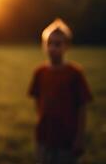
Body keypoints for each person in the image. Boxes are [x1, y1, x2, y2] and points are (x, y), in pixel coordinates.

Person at [28, 18, 93, 164]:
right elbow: (38, 102)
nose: (52, 48)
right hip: (44, 136)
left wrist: (79, 138)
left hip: (67, 138)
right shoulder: (40, 72)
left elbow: (82, 106)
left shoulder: (75, 73)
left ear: (67, 46)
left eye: (57, 44)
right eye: (49, 43)